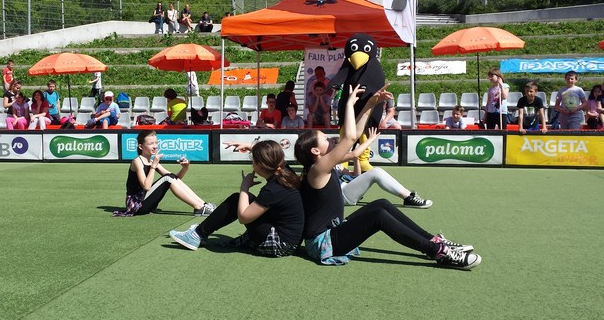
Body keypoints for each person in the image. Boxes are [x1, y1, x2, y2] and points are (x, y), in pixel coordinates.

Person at [293, 85, 480, 269]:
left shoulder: (323, 165)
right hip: (322, 243)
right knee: (378, 216)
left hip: (334, 230)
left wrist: (369, 105)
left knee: (381, 204)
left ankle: (434, 240)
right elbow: (350, 138)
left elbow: (355, 136)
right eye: (325, 138)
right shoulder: (317, 169)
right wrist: (348, 104)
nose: (330, 138)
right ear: (315, 151)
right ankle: (438, 251)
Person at [169, 140, 304, 257]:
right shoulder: (285, 173)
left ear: (258, 165)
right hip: (291, 241)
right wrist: (250, 147)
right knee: (244, 199)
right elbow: (272, 157)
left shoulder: (273, 189)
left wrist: (244, 187)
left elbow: (243, 217)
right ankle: (199, 233)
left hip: (280, 245)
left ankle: (197, 234)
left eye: (253, 160)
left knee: (238, 199)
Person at [115, 130, 215, 217]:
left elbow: (175, 179)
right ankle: (198, 207)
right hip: (136, 204)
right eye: (151, 144)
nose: (155, 146)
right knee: (167, 178)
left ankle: (203, 204)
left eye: (156, 143)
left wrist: (185, 168)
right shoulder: (137, 161)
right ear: (141, 147)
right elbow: (146, 186)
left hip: (145, 200)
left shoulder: (151, 161)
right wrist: (154, 165)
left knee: (169, 177)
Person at [338, 127, 432, 208]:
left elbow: (356, 176)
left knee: (377, 171)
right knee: (376, 172)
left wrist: (356, 160)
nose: (335, 144)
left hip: (347, 191)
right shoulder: (329, 160)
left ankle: (408, 196)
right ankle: (409, 198)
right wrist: (370, 140)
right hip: (341, 196)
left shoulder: (336, 165)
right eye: (332, 142)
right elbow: (354, 153)